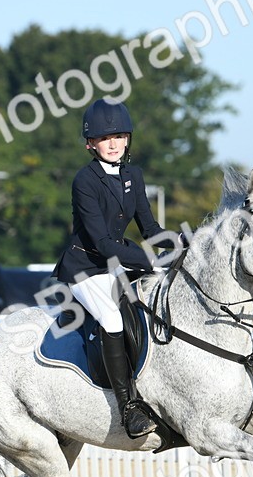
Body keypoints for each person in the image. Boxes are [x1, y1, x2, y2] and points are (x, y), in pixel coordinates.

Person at [53, 98, 173, 438]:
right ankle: (128, 408)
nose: (114, 144)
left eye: (120, 136)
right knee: (111, 317)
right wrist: (150, 261)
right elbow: (104, 244)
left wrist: (186, 243)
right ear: (91, 143)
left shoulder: (134, 175)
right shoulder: (84, 181)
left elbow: (150, 230)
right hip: (86, 266)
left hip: (118, 262)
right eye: (106, 139)